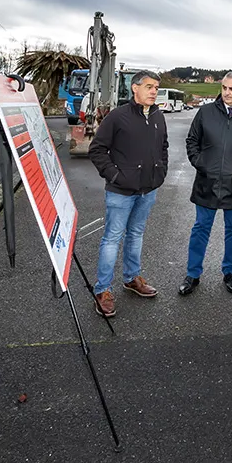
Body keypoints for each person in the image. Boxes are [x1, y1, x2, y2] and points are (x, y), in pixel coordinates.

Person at [87, 70, 168, 317]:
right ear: (135, 88)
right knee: (112, 238)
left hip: (147, 190)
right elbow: (97, 150)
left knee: (136, 234)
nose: (154, 91)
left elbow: (163, 147)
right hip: (120, 192)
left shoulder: (158, 116)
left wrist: (160, 172)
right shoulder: (117, 116)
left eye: (156, 88)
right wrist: (115, 176)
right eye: (149, 87)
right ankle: (102, 290)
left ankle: (132, 278)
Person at [179, 71, 232, 296]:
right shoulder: (206, 112)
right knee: (200, 228)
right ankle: (192, 274)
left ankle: (230, 272)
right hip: (206, 182)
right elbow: (192, 140)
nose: (227, 92)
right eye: (224, 88)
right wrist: (201, 164)